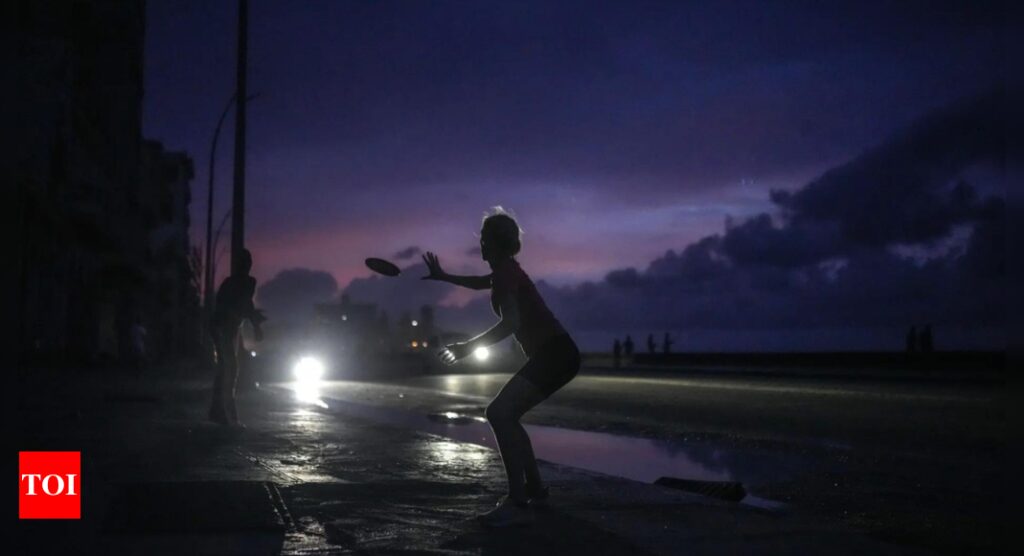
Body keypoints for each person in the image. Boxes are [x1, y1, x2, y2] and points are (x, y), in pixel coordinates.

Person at [422, 207, 580, 528]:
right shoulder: (505, 271)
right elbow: (482, 282)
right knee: (508, 415)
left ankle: (517, 500)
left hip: (555, 354)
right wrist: (445, 277)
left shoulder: (506, 272)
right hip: (556, 354)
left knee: (498, 413)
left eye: (483, 239)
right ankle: (534, 489)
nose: (480, 245)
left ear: (496, 243)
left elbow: (511, 323)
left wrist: (466, 348)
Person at [209, 248, 265, 427]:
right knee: (229, 369)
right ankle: (226, 415)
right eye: (245, 262)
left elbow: (245, 306)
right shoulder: (245, 282)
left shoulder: (236, 282)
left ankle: (219, 412)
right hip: (223, 327)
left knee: (226, 369)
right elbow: (245, 305)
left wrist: (254, 323)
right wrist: (256, 325)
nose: (247, 265)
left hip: (228, 328)